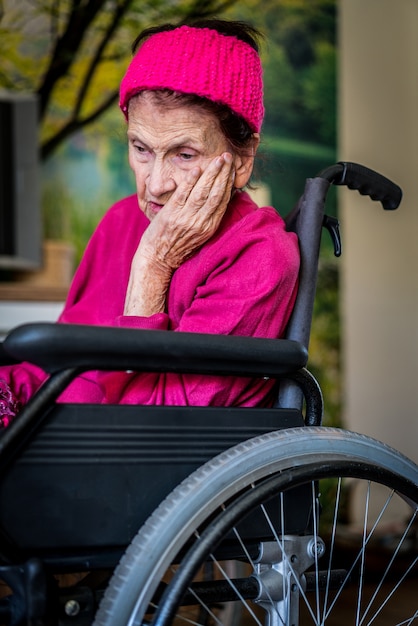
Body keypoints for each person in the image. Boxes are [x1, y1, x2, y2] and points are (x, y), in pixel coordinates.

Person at [0, 19, 300, 426]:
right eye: (141, 148)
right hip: (55, 434)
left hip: (128, 464)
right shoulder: (120, 219)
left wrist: (152, 266)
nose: (156, 185)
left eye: (184, 154)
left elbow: (148, 433)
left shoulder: (259, 255)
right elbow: (57, 368)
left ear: (243, 160)